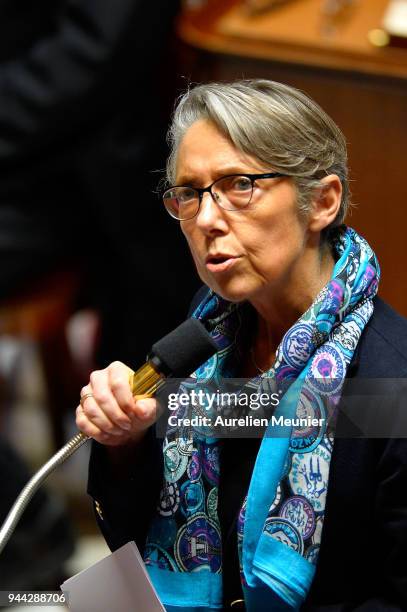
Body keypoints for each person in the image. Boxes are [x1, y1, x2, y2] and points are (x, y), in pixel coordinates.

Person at [77, 80, 407, 611]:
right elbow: (135, 540)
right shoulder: (206, 334)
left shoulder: (391, 382)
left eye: (239, 185)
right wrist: (126, 444)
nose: (206, 220)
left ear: (322, 202)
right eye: (189, 193)